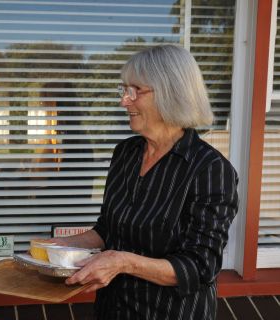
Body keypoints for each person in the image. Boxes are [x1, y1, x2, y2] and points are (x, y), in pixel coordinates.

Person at [40, 45, 239, 319]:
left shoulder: (210, 169)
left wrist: (122, 262)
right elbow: (107, 229)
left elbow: (200, 266)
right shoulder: (126, 153)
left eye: (135, 91)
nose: (124, 101)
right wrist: (55, 248)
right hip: (113, 309)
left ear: (171, 92)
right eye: (123, 90)